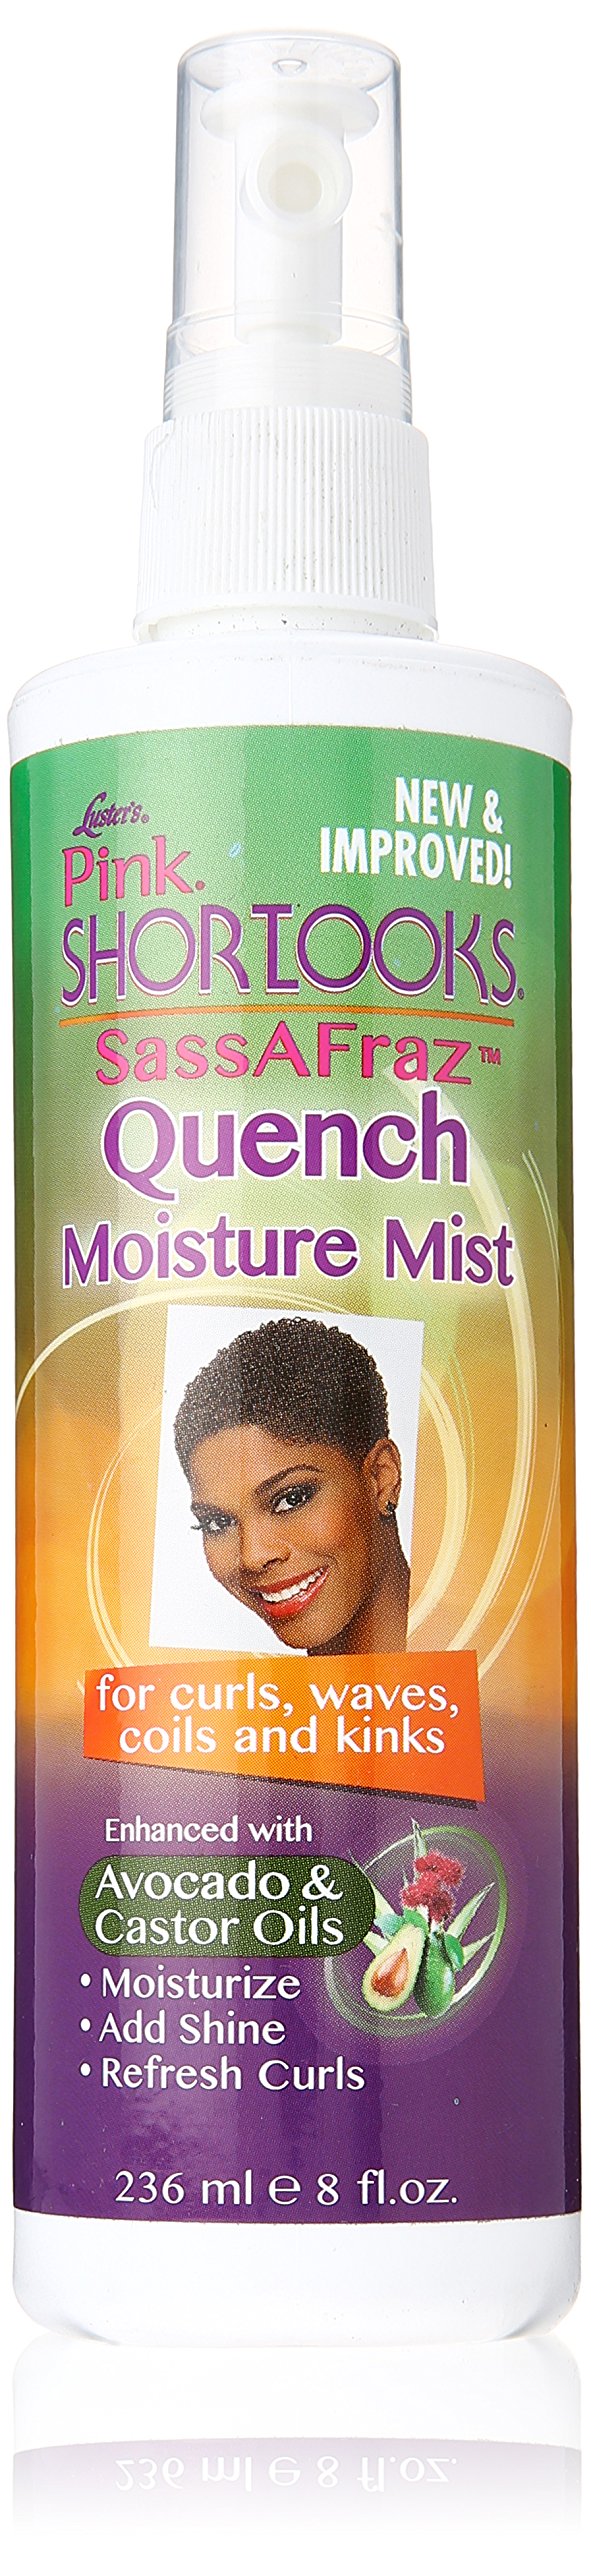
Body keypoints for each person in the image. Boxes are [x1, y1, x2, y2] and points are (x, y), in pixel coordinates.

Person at [174, 1317, 410, 1654]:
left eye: (291, 1499)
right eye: (218, 1522)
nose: (253, 1556)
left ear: (381, 1478)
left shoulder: (482, 1662)